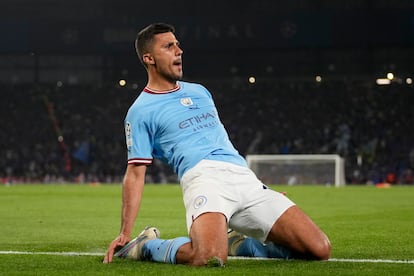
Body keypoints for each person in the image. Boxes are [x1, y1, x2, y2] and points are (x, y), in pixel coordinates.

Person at [103, 22, 331, 266]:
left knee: (319, 249)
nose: (179, 51)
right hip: (203, 180)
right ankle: (146, 245)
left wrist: (256, 184)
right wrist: (124, 232)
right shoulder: (140, 111)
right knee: (208, 257)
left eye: (178, 45)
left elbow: (221, 142)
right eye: (169, 46)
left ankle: (241, 243)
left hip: (244, 178)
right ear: (149, 58)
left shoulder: (201, 92)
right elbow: (135, 173)